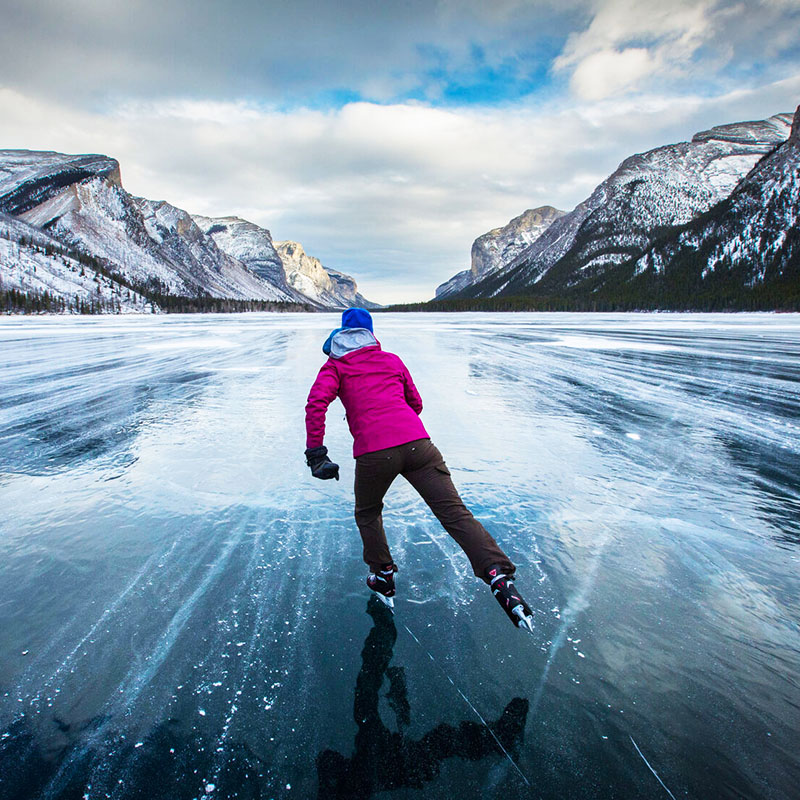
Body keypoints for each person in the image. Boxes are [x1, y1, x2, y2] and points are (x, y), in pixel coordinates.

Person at [304, 308, 534, 631]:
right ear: (370, 334)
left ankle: (383, 575)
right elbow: (416, 403)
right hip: (419, 445)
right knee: (456, 513)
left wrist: (316, 454)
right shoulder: (391, 360)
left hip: (373, 453)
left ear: (341, 334)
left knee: (368, 513)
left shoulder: (335, 366)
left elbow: (316, 403)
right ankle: (498, 575)